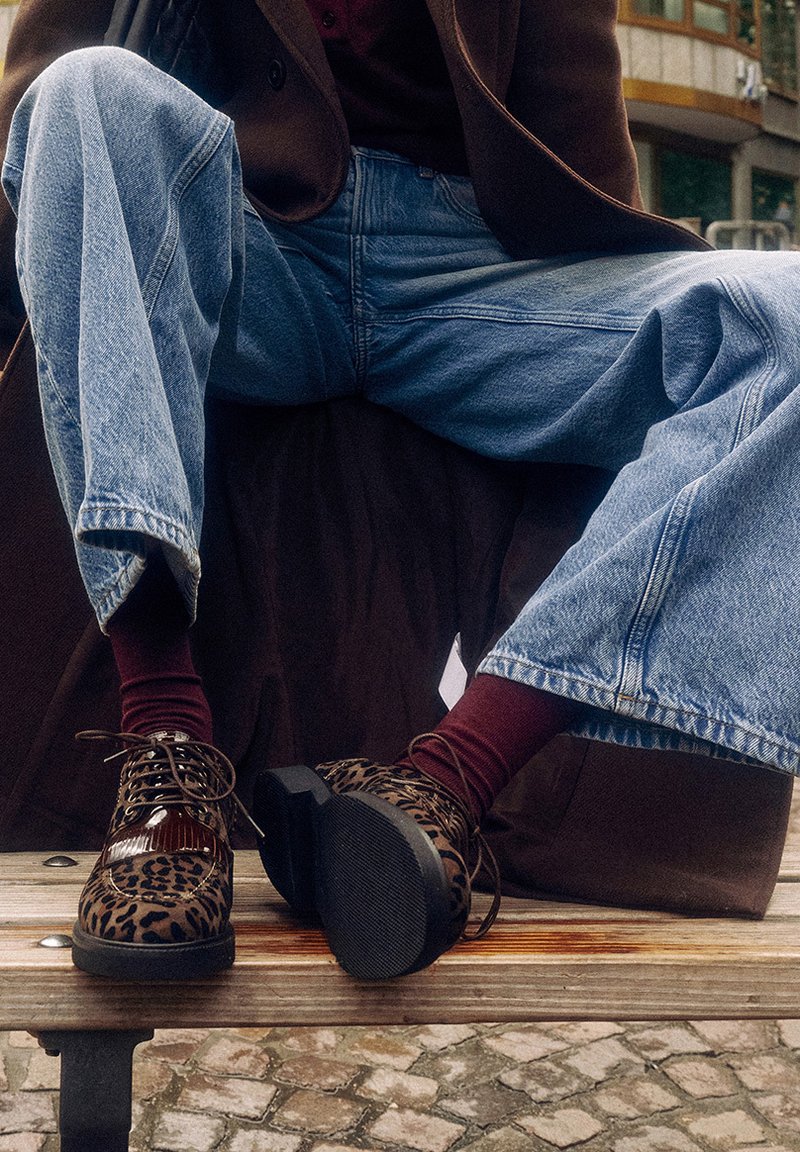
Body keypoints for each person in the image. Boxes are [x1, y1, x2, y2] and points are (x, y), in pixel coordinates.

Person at [2, 0, 799, 982]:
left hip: (477, 269)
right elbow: (44, 121)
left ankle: (444, 784)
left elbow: (581, 159)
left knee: (788, 323)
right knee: (83, 92)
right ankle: (166, 753)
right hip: (249, 239)